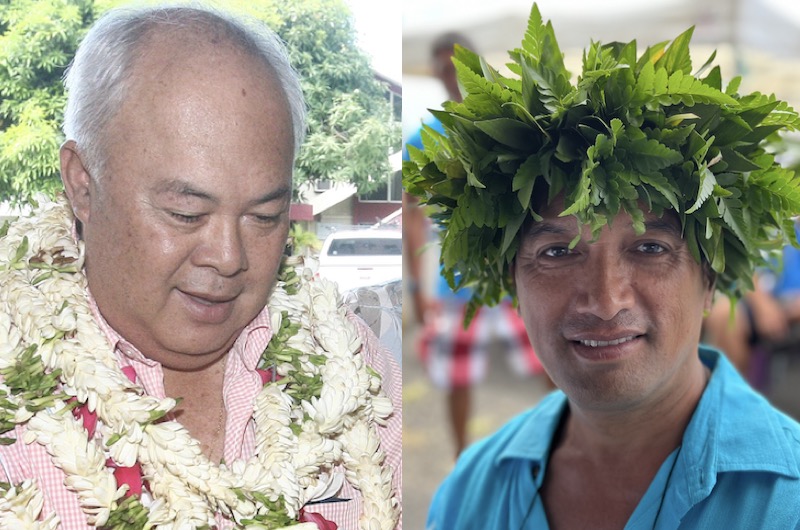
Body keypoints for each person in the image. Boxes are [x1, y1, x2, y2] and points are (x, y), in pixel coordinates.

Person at [0, 5, 401, 529]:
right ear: (83, 185)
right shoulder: (12, 365)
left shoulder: (346, 360)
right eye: (186, 214)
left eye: (264, 216)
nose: (229, 257)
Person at [404, 4, 800, 528]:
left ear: (710, 278)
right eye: (556, 252)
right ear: (511, 282)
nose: (606, 300)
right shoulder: (468, 496)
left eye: (650, 249)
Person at [403, 32, 544, 457]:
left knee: (554, 366)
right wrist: (416, 286)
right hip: (458, 281)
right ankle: (462, 460)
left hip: (516, 272)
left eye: (459, 65)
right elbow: (412, 213)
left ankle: (563, 447)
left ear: (477, 65)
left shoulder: (509, 124)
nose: (452, 75)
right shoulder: (426, 137)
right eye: (443, 67)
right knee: (457, 379)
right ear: (435, 73)